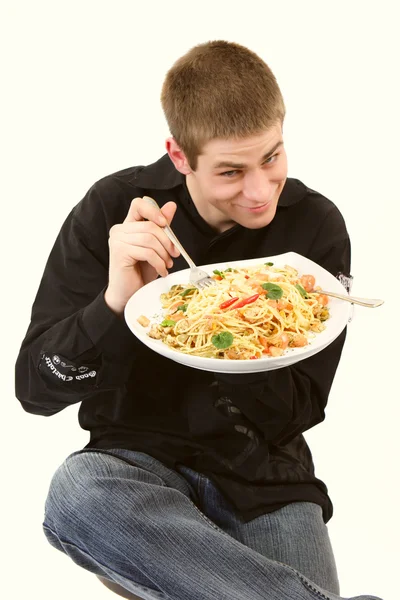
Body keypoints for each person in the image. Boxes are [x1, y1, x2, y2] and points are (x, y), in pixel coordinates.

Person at [15, 41, 382, 600]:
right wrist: (114, 302)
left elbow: (303, 409)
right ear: (180, 156)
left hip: (265, 480)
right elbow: (35, 389)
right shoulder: (112, 207)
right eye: (231, 171)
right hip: (133, 470)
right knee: (75, 493)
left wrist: (258, 320)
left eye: (272, 158)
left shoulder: (315, 227)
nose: (260, 191)